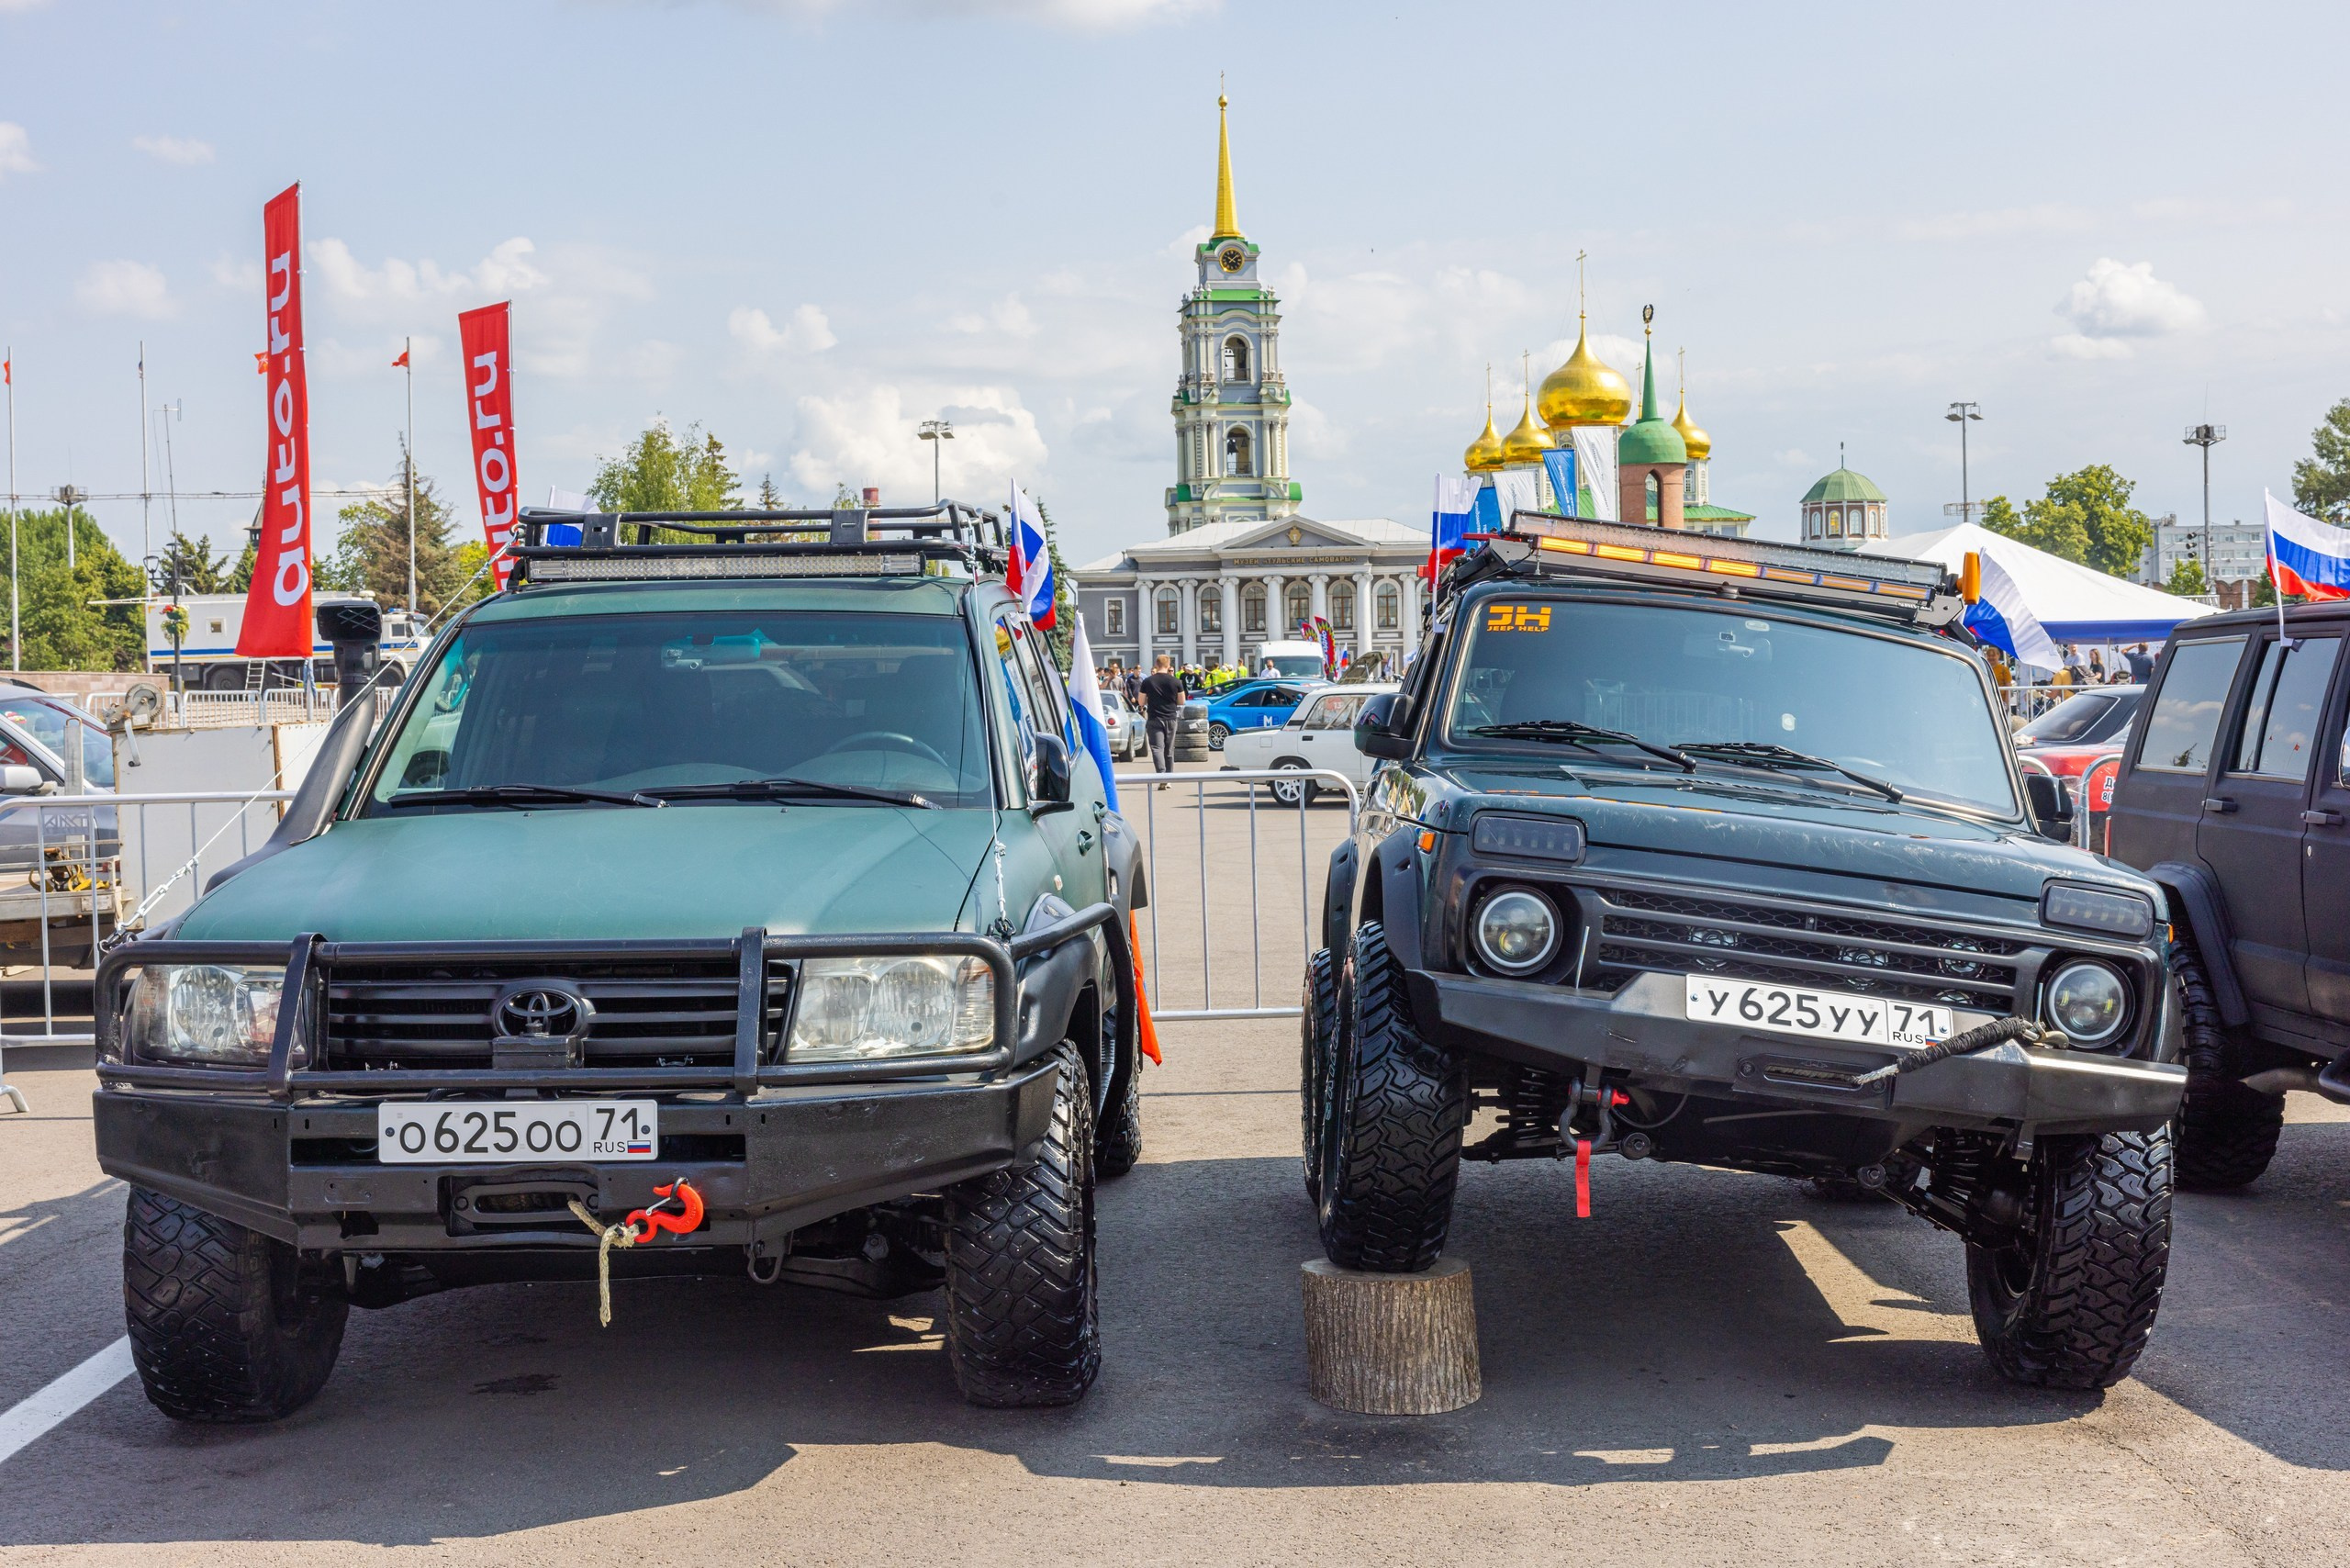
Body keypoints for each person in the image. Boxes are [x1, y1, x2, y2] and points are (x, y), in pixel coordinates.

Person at [1138, 655, 1186, 787]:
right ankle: (1169, 778)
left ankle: (1161, 775)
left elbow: (1141, 702)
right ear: (1169, 665)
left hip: (1154, 718)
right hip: (1171, 718)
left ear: (1156, 664)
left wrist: (1151, 699)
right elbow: (1182, 701)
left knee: (1157, 748)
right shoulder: (1176, 681)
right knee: (1169, 749)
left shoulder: (1147, 681)